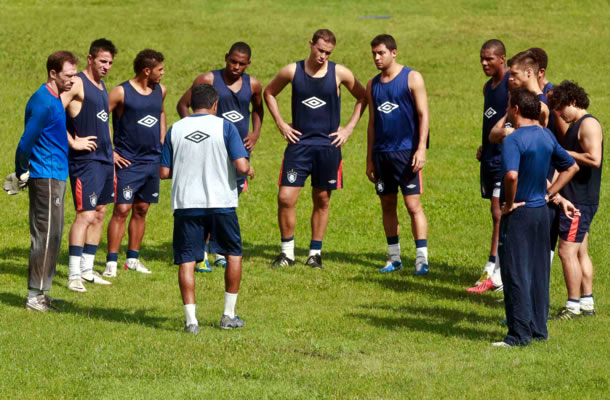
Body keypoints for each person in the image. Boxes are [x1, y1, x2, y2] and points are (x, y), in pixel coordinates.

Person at [264, 29, 367, 269]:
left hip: (328, 148)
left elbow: (363, 97)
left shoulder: (339, 73)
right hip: (298, 146)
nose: (323, 56)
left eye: (328, 52)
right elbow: (269, 93)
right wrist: (281, 124)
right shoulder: (292, 70)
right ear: (310, 44)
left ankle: (314, 254)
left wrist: (348, 128)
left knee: (322, 199)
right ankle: (287, 254)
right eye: (320, 50)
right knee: (285, 198)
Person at [160, 84, 254, 333]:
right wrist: (248, 168)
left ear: (190, 105)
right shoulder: (225, 127)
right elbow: (242, 166)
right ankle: (228, 315)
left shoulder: (175, 129)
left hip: (186, 204)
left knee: (187, 260)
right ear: (215, 105)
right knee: (233, 254)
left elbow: (164, 172)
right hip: (221, 202)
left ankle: (191, 321)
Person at [492, 88, 578, 347]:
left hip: (519, 214)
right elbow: (571, 166)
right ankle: (539, 329)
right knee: (539, 271)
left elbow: (511, 175)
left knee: (515, 272)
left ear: (515, 109)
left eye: (509, 106)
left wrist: (508, 203)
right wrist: (550, 193)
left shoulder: (513, 140)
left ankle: (518, 335)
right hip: (542, 212)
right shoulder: (546, 135)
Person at [176, 42, 263, 271]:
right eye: (232, 61)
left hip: (237, 153)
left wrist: (255, 134)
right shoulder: (208, 80)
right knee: (207, 201)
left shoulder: (253, 84)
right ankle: (201, 252)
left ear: (248, 64)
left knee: (227, 201)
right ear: (226, 57)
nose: (236, 66)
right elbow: (183, 105)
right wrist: (193, 132)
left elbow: (258, 109)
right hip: (210, 152)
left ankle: (219, 250)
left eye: (241, 64)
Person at [472, 49, 552, 294]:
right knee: (510, 231)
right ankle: (504, 279)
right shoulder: (517, 102)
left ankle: (517, 287)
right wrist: (506, 134)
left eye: (514, 74)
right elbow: (494, 134)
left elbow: (539, 142)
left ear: (529, 73)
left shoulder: (541, 106)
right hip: (515, 173)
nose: (510, 77)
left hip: (532, 182)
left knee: (525, 237)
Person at [8, 51, 79, 311]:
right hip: (45, 175)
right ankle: (33, 297)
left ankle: (41, 293)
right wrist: (21, 171)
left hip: (55, 174)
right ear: (53, 73)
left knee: (54, 235)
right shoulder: (44, 102)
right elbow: (25, 142)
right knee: (45, 235)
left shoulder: (54, 98)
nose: (73, 80)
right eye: (68, 75)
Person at [365, 34, 430, 274]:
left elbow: (424, 114)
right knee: (387, 205)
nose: (376, 57)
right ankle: (394, 258)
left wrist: (421, 148)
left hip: (406, 153)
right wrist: (369, 157)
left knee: (413, 205)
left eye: (380, 53)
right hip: (382, 155)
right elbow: (372, 122)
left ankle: (422, 259)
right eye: (373, 53)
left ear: (394, 52)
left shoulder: (412, 78)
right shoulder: (373, 84)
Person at [103, 49, 167, 277]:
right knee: (121, 209)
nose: (163, 73)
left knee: (141, 209)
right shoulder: (121, 92)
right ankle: (111, 261)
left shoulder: (160, 90)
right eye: (160, 69)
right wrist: (110, 151)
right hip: (127, 163)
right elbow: (101, 120)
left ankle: (132, 259)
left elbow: (160, 114)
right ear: (146, 70)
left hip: (151, 161)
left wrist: (162, 142)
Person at [61, 38, 117, 292]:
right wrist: (73, 141)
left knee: (100, 213)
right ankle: (73, 274)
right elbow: (52, 114)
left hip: (105, 160)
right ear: (90, 59)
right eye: (103, 61)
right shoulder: (78, 84)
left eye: (110, 63)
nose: (106, 66)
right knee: (85, 214)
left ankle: (87, 269)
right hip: (86, 162)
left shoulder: (102, 85)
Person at [548, 81, 603, 320]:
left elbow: (594, 159)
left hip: (578, 200)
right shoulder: (575, 125)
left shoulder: (588, 124)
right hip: (580, 199)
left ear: (572, 101)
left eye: (561, 108)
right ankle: (587, 303)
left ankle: (572, 306)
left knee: (566, 252)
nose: (559, 114)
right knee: (580, 251)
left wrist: (564, 153)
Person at [470, 39, 509, 287]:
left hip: (504, 158)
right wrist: (484, 143)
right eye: (482, 58)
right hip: (489, 157)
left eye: (489, 59)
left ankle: (495, 268)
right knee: (494, 213)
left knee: (499, 212)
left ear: (502, 59)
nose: (484, 63)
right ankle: (496, 266)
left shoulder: (511, 85)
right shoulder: (488, 87)